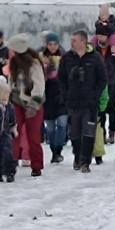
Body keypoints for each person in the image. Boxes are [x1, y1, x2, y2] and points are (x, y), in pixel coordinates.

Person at [58, 30, 107, 174]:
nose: (71, 43)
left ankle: (85, 161)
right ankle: (77, 156)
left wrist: (95, 95)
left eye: (74, 40)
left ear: (83, 41)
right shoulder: (66, 58)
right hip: (72, 102)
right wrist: (65, 94)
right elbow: (61, 79)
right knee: (74, 133)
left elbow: (103, 79)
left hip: (90, 104)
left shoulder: (95, 58)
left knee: (88, 132)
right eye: (71, 40)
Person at [6, 33, 47, 177]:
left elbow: (39, 85)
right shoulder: (13, 63)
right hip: (16, 102)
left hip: (33, 104)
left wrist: (34, 104)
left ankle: (36, 166)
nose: (9, 51)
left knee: (33, 136)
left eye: (11, 49)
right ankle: (11, 164)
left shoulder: (34, 64)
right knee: (13, 133)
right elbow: (11, 83)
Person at [92, 28, 115, 145]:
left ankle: (112, 133)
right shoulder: (94, 48)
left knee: (110, 108)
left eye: (103, 35)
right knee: (101, 108)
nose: (101, 38)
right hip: (98, 81)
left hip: (113, 81)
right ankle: (102, 133)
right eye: (99, 35)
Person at [40, 32, 68, 164]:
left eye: (54, 44)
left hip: (61, 95)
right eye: (50, 44)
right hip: (47, 96)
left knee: (62, 124)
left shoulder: (65, 56)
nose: (52, 47)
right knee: (50, 127)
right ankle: (53, 151)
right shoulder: (40, 57)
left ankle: (58, 149)